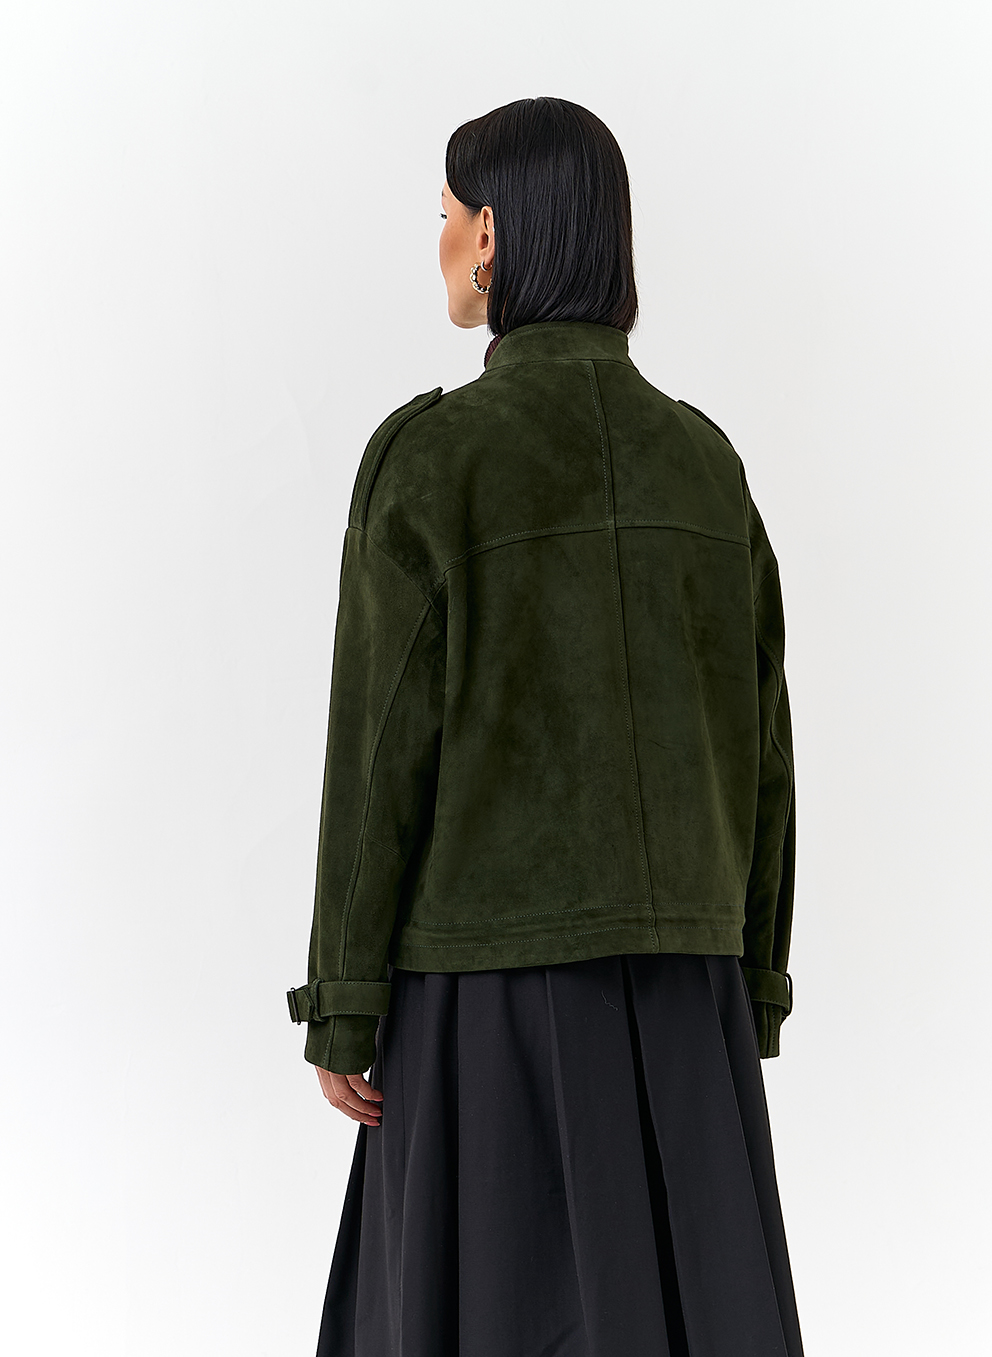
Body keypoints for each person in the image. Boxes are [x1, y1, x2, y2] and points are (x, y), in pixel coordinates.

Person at [287, 96, 805, 1357]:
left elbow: (377, 754)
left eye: (444, 216)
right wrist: (750, 981)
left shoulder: (431, 460)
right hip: (683, 994)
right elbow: (762, 748)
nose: (439, 242)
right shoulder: (705, 464)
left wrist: (343, 1005)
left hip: (484, 1000)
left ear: (490, 236)